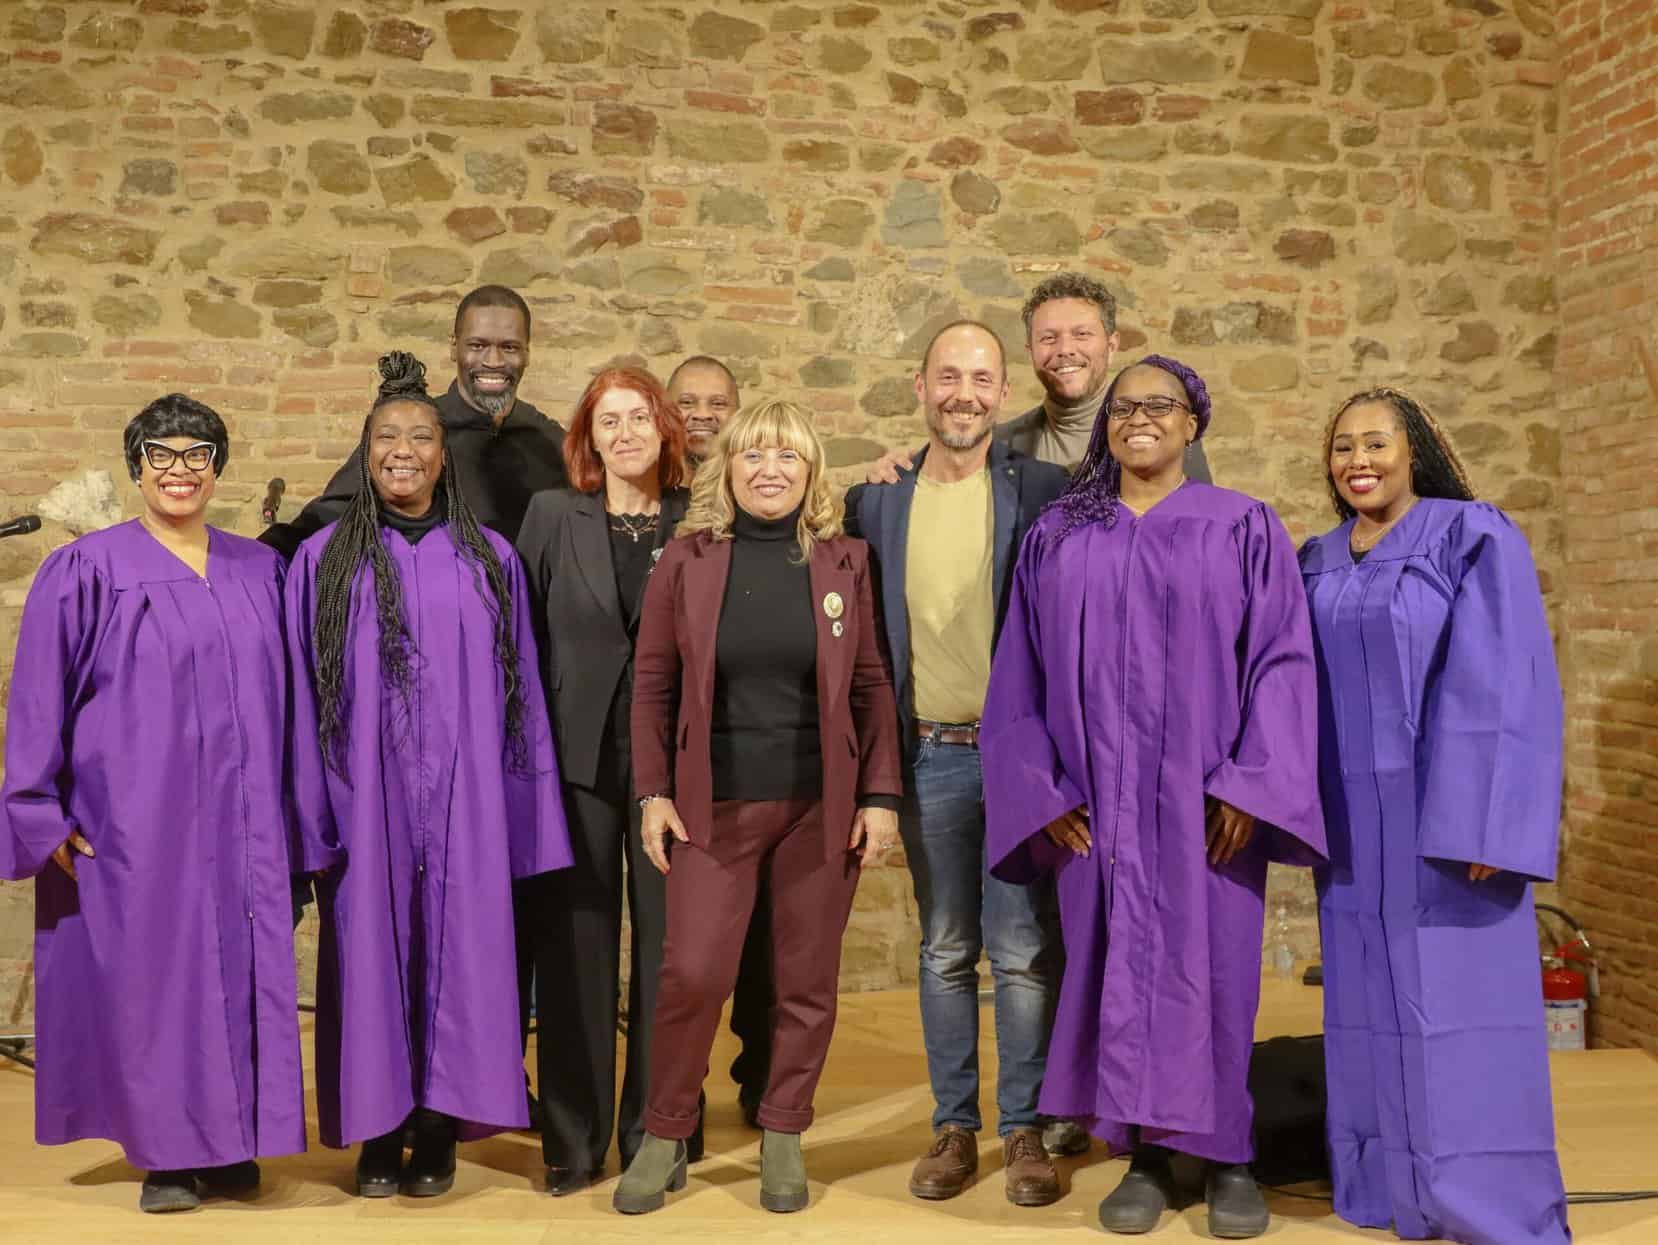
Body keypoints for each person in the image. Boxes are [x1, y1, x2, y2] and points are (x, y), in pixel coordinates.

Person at [981, 355, 1326, 1240]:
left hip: (1207, 808)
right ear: (1106, 425)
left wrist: (1254, 782)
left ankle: (1228, 1155)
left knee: (1212, 975)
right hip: (1097, 809)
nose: (1139, 418)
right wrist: (1041, 791)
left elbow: (1282, 663)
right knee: (1110, 974)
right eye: (1123, 407)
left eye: (1159, 405)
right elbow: (1015, 672)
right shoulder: (1061, 532)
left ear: (1192, 423)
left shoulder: (1244, 525)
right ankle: (1140, 1155)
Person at [261, 285, 565, 1122]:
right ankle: (375, 1128)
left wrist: (524, 808)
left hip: (465, 796)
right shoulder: (325, 563)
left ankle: (443, 1125)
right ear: (366, 453)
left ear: (443, 457)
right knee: (366, 955)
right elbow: (302, 692)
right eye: (387, 438)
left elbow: (520, 695)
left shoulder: (489, 559)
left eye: (420, 438)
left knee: (470, 954)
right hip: (368, 794)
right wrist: (311, 813)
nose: (404, 450)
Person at [0, 394, 305, 1213]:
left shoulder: (260, 569)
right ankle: (168, 1150)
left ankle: (234, 1138)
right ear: (136, 466)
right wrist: (38, 810)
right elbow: (38, 696)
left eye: (196, 454)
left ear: (218, 466)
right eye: (161, 455)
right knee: (158, 982)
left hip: (246, 822)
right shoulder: (89, 566)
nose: (179, 470)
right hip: (134, 819)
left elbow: (294, 706)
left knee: (242, 973)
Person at [614, 400, 903, 1215]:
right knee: (691, 971)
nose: (769, 469)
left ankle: (782, 1129)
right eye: (753, 455)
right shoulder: (688, 558)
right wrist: (653, 791)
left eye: (787, 456)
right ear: (728, 468)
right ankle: (666, 1131)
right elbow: (653, 686)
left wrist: (881, 793)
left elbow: (874, 684)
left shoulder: (846, 560)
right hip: (713, 807)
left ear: (810, 472)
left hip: (821, 805)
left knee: (803, 981)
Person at [1299, 388, 1570, 1245]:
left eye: (1376, 442)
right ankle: (1389, 1189)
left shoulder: (1470, 535)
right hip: (1350, 830)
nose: (1359, 461)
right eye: (1343, 447)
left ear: (1414, 449)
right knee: (1364, 1009)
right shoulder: (1317, 556)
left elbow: (1505, 681)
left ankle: (1487, 1206)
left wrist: (1486, 823)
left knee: (1464, 1014)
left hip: (1445, 829)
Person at [844, 321, 1069, 1206]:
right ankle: (954, 1126)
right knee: (943, 949)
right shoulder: (879, 500)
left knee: (1018, 947)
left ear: (1002, 389)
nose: (964, 393)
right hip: (928, 751)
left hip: (1017, 755)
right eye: (948, 376)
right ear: (920, 384)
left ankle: (1025, 1127)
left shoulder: (1043, 489)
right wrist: (877, 780)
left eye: (981, 378)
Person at [514, 367, 693, 1194]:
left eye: (638, 417)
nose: (624, 433)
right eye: (607, 420)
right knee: (576, 949)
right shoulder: (553, 516)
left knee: (668, 956)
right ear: (588, 438)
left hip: (678, 770)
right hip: (575, 763)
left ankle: (658, 1132)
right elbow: (519, 643)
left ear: (665, 427)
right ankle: (574, 1140)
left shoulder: (703, 519)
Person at [261, 284, 565, 557]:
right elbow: (331, 516)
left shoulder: (554, 443)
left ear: (527, 353)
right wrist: (251, 564)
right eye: (477, 345)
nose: (493, 361)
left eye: (509, 347)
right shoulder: (418, 434)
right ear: (453, 347)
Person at [666, 354, 740, 464]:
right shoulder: (646, 479)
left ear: (738, 414)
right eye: (687, 402)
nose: (702, 414)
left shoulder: (758, 480)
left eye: (718, 403)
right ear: (665, 412)